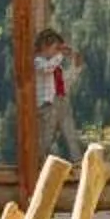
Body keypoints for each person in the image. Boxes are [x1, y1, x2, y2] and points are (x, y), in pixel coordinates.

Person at [31, 26, 84, 160]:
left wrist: (76, 66)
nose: (57, 53)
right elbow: (47, 69)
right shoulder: (37, 62)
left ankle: (77, 160)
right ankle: (40, 162)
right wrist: (60, 55)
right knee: (45, 138)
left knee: (70, 134)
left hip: (60, 100)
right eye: (55, 48)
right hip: (46, 105)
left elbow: (65, 84)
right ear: (44, 46)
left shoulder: (56, 68)